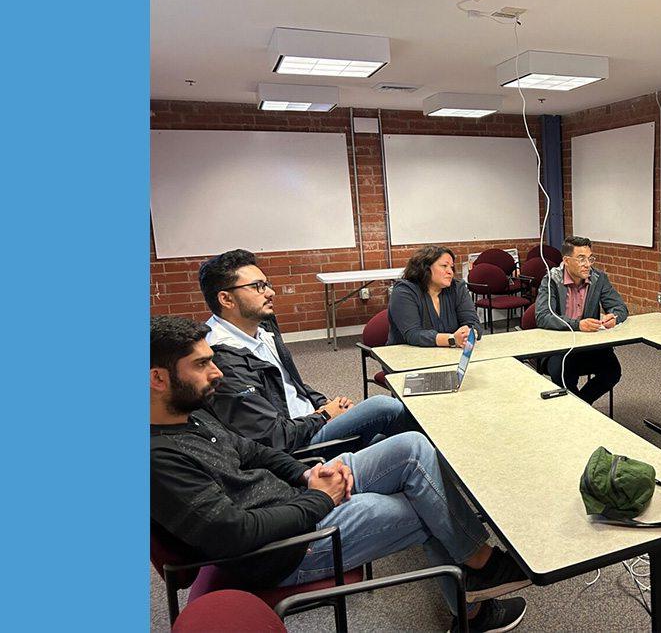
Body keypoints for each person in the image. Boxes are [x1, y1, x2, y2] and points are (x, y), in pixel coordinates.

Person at [150, 316, 529, 632]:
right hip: (286, 550)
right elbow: (236, 534)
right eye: (201, 364)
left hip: (297, 498)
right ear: (158, 378)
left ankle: (478, 565)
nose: (216, 373)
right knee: (425, 505)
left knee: (412, 446)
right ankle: (475, 600)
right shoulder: (158, 460)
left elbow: (255, 450)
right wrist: (319, 499)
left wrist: (306, 475)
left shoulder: (191, 413)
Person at [198, 249, 414, 454]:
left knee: (399, 443)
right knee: (386, 407)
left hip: (310, 421)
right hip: (298, 444)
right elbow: (273, 436)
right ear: (226, 299)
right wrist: (325, 415)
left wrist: (325, 404)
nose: (271, 292)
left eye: (267, 284)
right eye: (258, 286)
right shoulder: (220, 358)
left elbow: (292, 385)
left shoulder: (261, 328)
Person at [535, 236, 629, 405]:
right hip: (559, 348)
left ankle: (581, 406)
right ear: (566, 260)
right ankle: (579, 410)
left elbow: (620, 308)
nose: (588, 264)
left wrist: (613, 317)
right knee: (562, 374)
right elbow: (543, 316)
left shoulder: (598, 278)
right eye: (581, 259)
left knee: (613, 371)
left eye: (590, 258)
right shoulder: (551, 280)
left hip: (588, 345)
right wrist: (577, 325)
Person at [388, 245, 481, 347]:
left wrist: (470, 333)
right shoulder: (404, 291)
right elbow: (413, 335)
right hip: (407, 357)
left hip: (449, 354)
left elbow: (473, 323)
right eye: (444, 266)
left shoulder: (458, 288)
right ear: (425, 268)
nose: (450, 271)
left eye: (451, 267)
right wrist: (452, 339)